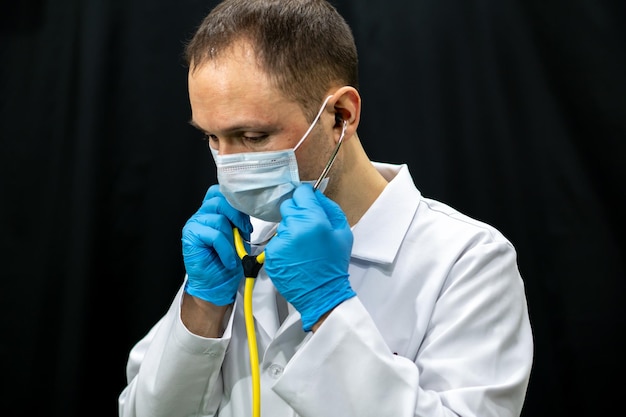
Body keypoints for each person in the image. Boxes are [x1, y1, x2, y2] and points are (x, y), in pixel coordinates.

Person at [118, 0, 533, 416]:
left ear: (341, 115)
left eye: (252, 135)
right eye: (212, 137)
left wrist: (328, 307)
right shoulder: (240, 246)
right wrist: (202, 309)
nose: (228, 164)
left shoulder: (469, 261)